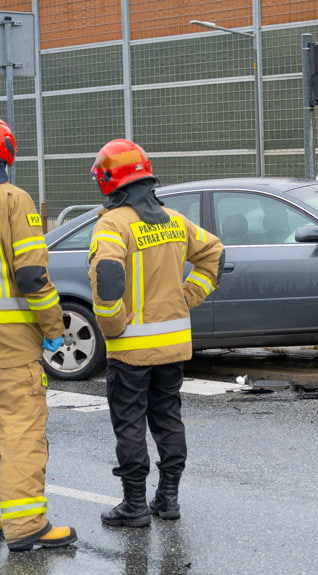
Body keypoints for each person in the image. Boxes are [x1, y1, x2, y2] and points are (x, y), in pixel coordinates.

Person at [88, 139, 224, 527]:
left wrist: (114, 327)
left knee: (130, 423)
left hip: (130, 351)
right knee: (168, 419)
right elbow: (215, 254)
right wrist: (187, 296)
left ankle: (133, 505)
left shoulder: (112, 224)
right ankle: (167, 499)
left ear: (110, 182)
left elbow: (109, 278)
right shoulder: (174, 220)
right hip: (172, 347)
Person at [0, 119, 77, 551]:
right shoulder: (13, 200)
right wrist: (53, 327)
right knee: (20, 430)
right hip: (9, 345)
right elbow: (31, 274)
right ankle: (26, 524)